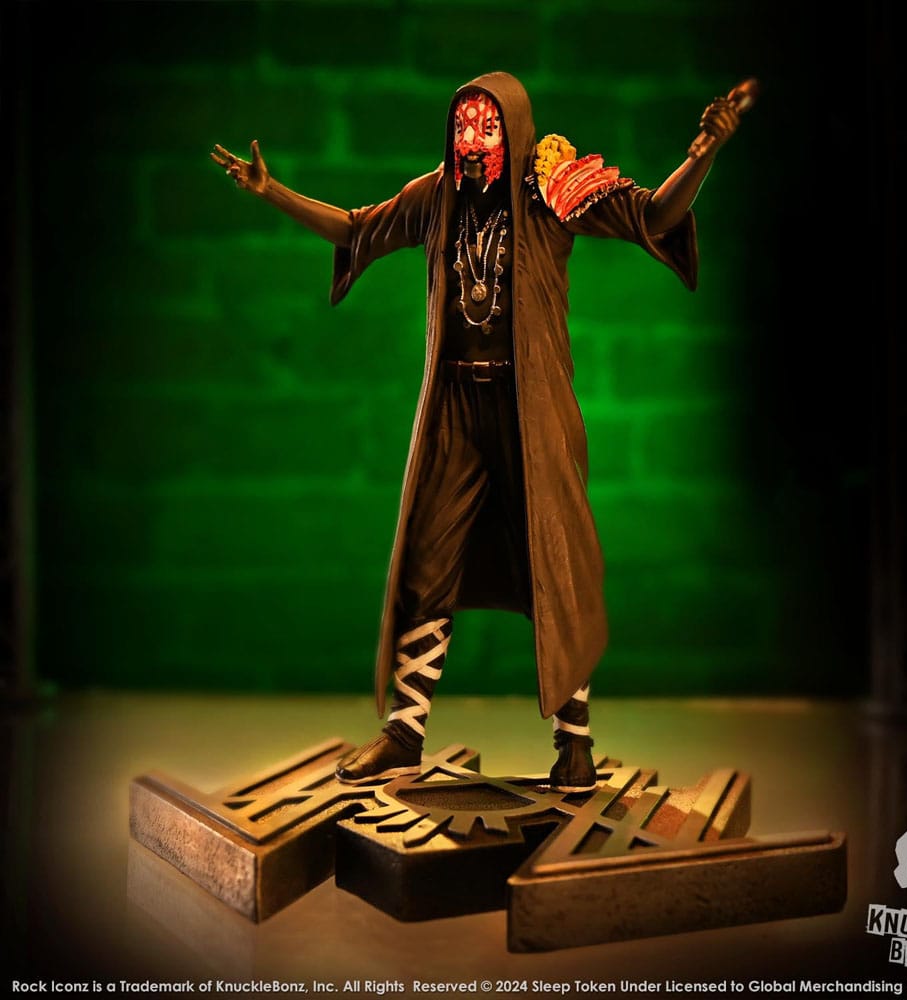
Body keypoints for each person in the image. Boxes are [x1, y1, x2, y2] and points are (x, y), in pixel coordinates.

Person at [212, 71, 743, 793]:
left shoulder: (552, 191)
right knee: (427, 557)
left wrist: (701, 156)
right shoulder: (436, 198)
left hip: (531, 408)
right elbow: (358, 228)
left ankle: (575, 743)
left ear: (513, 131)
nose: (472, 139)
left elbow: (652, 215)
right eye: (463, 125)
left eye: (487, 126)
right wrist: (272, 191)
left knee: (555, 563)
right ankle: (405, 733)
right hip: (456, 408)